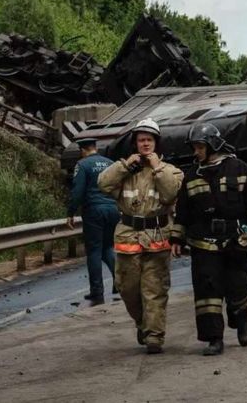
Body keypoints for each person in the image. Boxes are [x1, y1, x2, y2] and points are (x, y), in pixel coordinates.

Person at [171, 122, 247, 356]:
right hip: (202, 243)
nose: (195, 152)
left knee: (237, 286)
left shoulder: (240, 169)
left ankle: (241, 321)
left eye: (199, 147)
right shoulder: (191, 176)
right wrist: (176, 238)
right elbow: (182, 211)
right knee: (207, 291)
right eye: (194, 147)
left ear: (212, 144)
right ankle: (214, 339)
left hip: (236, 240)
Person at [98, 118, 183, 354]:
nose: (145, 144)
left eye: (149, 140)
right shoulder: (126, 170)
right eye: (141, 140)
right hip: (128, 238)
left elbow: (169, 195)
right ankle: (142, 323)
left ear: (156, 143)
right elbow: (103, 184)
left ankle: (154, 336)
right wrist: (125, 165)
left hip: (157, 238)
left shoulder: (171, 171)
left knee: (154, 290)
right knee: (127, 289)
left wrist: (157, 168)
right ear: (135, 144)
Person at [66, 137, 119, 306]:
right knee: (108, 246)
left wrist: (71, 212)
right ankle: (119, 282)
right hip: (112, 209)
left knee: (94, 250)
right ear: (95, 147)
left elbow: (78, 191)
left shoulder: (82, 165)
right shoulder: (111, 163)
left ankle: (97, 290)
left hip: (94, 211)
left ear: (82, 150)